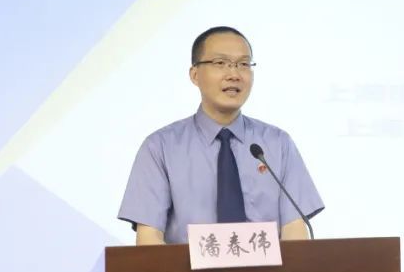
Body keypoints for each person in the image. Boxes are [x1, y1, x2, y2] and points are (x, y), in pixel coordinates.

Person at [118, 26, 323, 244]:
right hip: (188, 267)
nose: (234, 74)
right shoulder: (160, 147)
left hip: (268, 268)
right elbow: (149, 239)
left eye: (243, 64)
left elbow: (295, 233)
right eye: (220, 63)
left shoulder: (278, 144)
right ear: (195, 75)